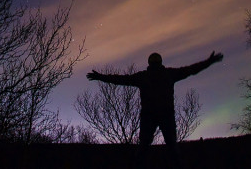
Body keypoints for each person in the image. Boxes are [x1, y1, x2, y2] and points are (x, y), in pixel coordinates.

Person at [86, 51, 223, 168]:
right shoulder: (168, 74)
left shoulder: (144, 77)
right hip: (162, 115)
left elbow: (121, 79)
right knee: (170, 147)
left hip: (152, 115)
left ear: (150, 63)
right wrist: (208, 62)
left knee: (145, 147)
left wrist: (100, 77)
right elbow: (191, 70)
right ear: (160, 62)